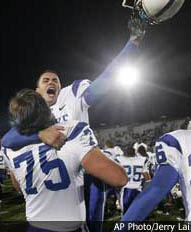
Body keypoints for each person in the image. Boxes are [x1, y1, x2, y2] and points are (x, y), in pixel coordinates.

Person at [2, 16, 146, 232]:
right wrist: (40, 136)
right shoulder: (31, 116)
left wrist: (132, 44)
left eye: (55, 80)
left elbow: (105, 82)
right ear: (37, 91)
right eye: (45, 80)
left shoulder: (73, 94)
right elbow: (7, 139)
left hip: (84, 171)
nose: (52, 82)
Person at [2, 89, 127, 232]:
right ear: (46, 110)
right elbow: (119, 178)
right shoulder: (71, 131)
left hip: (34, 226)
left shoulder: (9, 148)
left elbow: (18, 187)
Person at [119, 129, 191, 227]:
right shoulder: (144, 159)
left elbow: (158, 187)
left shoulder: (179, 140)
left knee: (127, 215)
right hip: (139, 187)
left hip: (129, 188)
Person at [116, 146, 150, 215]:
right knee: (138, 213)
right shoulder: (142, 160)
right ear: (135, 153)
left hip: (126, 190)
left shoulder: (120, 160)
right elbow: (147, 177)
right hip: (138, 189)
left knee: (126, 214)